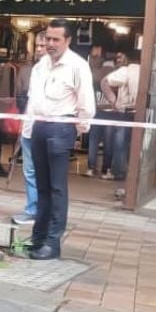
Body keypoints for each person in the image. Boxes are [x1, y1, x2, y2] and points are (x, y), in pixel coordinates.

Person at [23, 19, 96, 260]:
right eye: (48, 38)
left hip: (61, 126)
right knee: (41, 186)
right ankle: (38, 237)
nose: (50, 43)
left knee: (56, 188)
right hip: (39, 126)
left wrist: (78, 130)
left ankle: (52, 243)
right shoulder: (40, 66)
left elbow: (86, 104)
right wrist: (28, 128)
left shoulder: (77, 66)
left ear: (68, 40)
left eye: (56, 39)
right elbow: (33, 100)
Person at [11, 38, 49, 226]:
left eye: (43, 46)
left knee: (46, 172)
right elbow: (31, 100)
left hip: (48, 127)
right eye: (37, 46)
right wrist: (24, 124)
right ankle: (33, 209)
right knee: (30, 170)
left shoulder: (66, 68)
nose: (39, 49)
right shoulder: (36, 69)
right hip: (30, 126)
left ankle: (44, 211)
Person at [101, 51, 141, 182]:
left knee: (120, 144)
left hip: (125, 111)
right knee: (134, 145)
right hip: (139, 112)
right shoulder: (148, 70)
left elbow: (104, 81)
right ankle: (132, 174)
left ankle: (119, 172)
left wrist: (113, 101)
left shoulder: (126, 70)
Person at [85, 57, 117, 178]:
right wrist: (109, 105)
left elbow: (92, 102)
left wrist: (99, 106)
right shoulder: (113, 84)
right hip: (107, 116)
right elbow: (115, 104)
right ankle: (104, 170)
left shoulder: (95, 83)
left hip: (99, 115)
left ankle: (92, 168)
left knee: (95, 142)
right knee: (106, 143)